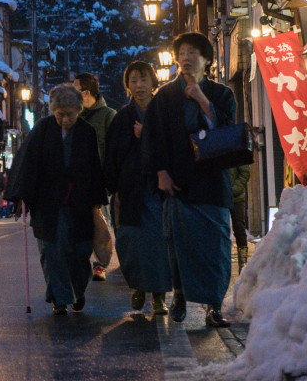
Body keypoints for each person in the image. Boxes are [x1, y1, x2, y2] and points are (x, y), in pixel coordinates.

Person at [145, 31, 240, 328]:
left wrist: (202, 100)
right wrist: (160, 172)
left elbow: (227, 133)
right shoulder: (164, 97)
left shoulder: (222, 94)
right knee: (178, 246)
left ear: (207, 60)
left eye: (193, 53)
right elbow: (152, 138)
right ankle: (181, 295)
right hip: (178, 183)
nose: (185, 58)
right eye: (181, 53)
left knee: (216, 247)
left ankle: (214, 305)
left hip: (212, 182)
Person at [8, 83, 106, 315]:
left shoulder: (86, 131)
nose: (64, 119)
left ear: (78, 111)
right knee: (52, 250)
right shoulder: (42, 129)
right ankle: (60, 298)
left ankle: (78, 291)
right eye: (60, 114)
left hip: (79, 201)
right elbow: (27, 163)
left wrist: (97, 199)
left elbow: (94, 167)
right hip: (48, 202)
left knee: (80, 250)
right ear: (53, 111)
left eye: (69, 114)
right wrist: (20, 194)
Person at [102, 62, 172, 315]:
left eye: (143, 80)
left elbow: (175, 147)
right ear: (127, 85)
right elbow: (112, 155)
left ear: (153, 82)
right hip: (129, 190)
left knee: (159, 242)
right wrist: (112, 187)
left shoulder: (164, 112)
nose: (139, 86)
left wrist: (148, 135)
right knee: (130, 241)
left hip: (159, 187)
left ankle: (159, 296)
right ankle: (138, 288)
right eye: (133, 81)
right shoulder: (122, 118)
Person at [75, 73, 117, 281]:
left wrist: (110, 178)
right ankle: (86, 263)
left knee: (104, 223)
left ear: (87, 93)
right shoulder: (74, 116)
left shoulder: (108, 115)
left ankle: (102, 264)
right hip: (80, 182)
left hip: (103, 181)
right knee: (84, 225)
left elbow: (114, 150)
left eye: (76, 91)